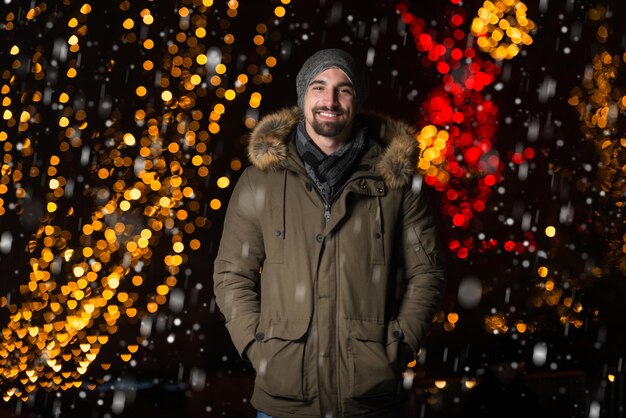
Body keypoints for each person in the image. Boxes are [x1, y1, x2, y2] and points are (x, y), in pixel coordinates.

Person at [213, 48, 446, 418]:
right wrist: (259, 349)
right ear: (303, 96)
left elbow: (427, 273)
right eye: (319, 87)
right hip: (283, 402)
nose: (330, 100)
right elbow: (231, 274)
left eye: (344, 89)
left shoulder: (398, 183)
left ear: (357, 100)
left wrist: (396, 348)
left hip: (368, 401)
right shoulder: (261, 181)